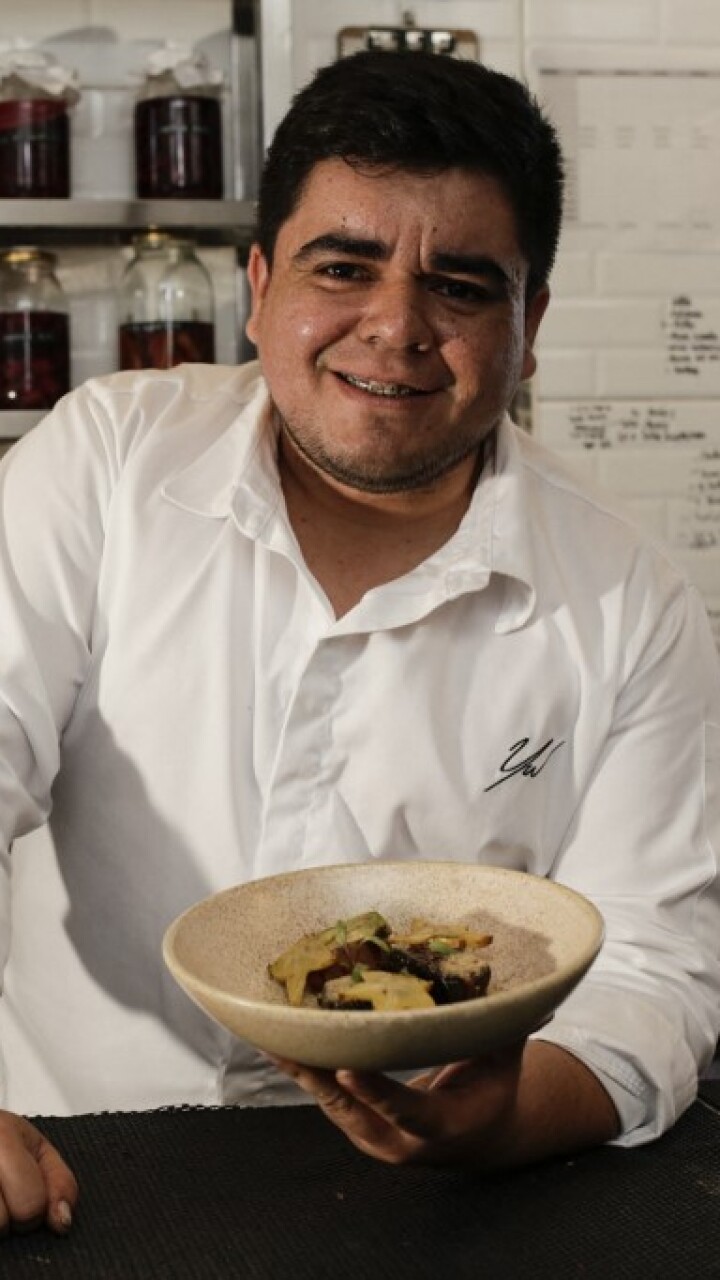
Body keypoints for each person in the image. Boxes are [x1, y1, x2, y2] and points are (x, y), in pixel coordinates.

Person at [0, 47, 718, 1237]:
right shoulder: (107, 466)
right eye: (345, 265)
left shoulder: (629, 596)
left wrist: (508, 1116)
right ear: (259, 283)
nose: (396, 327)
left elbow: (657, 963)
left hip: (448, 1208)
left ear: (528, 323)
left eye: (462, 285)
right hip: (77, 1171)